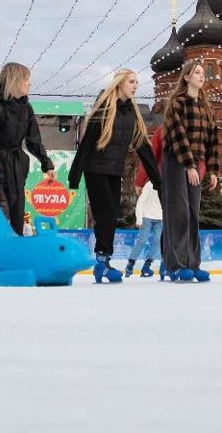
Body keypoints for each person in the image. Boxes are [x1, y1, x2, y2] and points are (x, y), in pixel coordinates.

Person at [69, 69, 161, 284]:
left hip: (114, 171)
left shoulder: (132, 113)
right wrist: (75, 176)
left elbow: (143, 148)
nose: (135, 85)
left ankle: (103, 261)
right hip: (95, 170)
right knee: (106, 214)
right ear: (120, 83)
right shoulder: (104, 109)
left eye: (137, 82)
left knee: (111, 215)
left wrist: (158, 181)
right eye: (131, 81)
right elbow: (87, 143)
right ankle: (102, 260)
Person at [0, 63, 56, 271]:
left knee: (17, 217)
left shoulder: (26, 108)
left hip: (16, 169)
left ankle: (9, 260)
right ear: (15, 81)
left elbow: (34, 140)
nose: (30, 83)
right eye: (26, 79)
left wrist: (46, 163)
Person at [159, 60, 219, 283]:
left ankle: (193, 264)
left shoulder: (207, 107)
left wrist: (212, 170)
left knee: (193, 214)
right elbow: (177, 135)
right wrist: (189, 165)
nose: (202, 76)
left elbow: (212, 140)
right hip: (176, 161)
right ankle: (175, 265)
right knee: (179, 214)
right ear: (186, 77)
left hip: (196, 162)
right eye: (197, 73)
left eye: (203, 73)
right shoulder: (177, 103)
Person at [126, 179, 163, 278]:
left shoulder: (168, 186)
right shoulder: (150, 184)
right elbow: (140, 201)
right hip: (147, 216)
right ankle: (131, 263)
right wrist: (139, 219)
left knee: (157, 240)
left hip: (160, 218)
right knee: (142, 240)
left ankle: (147, 265)